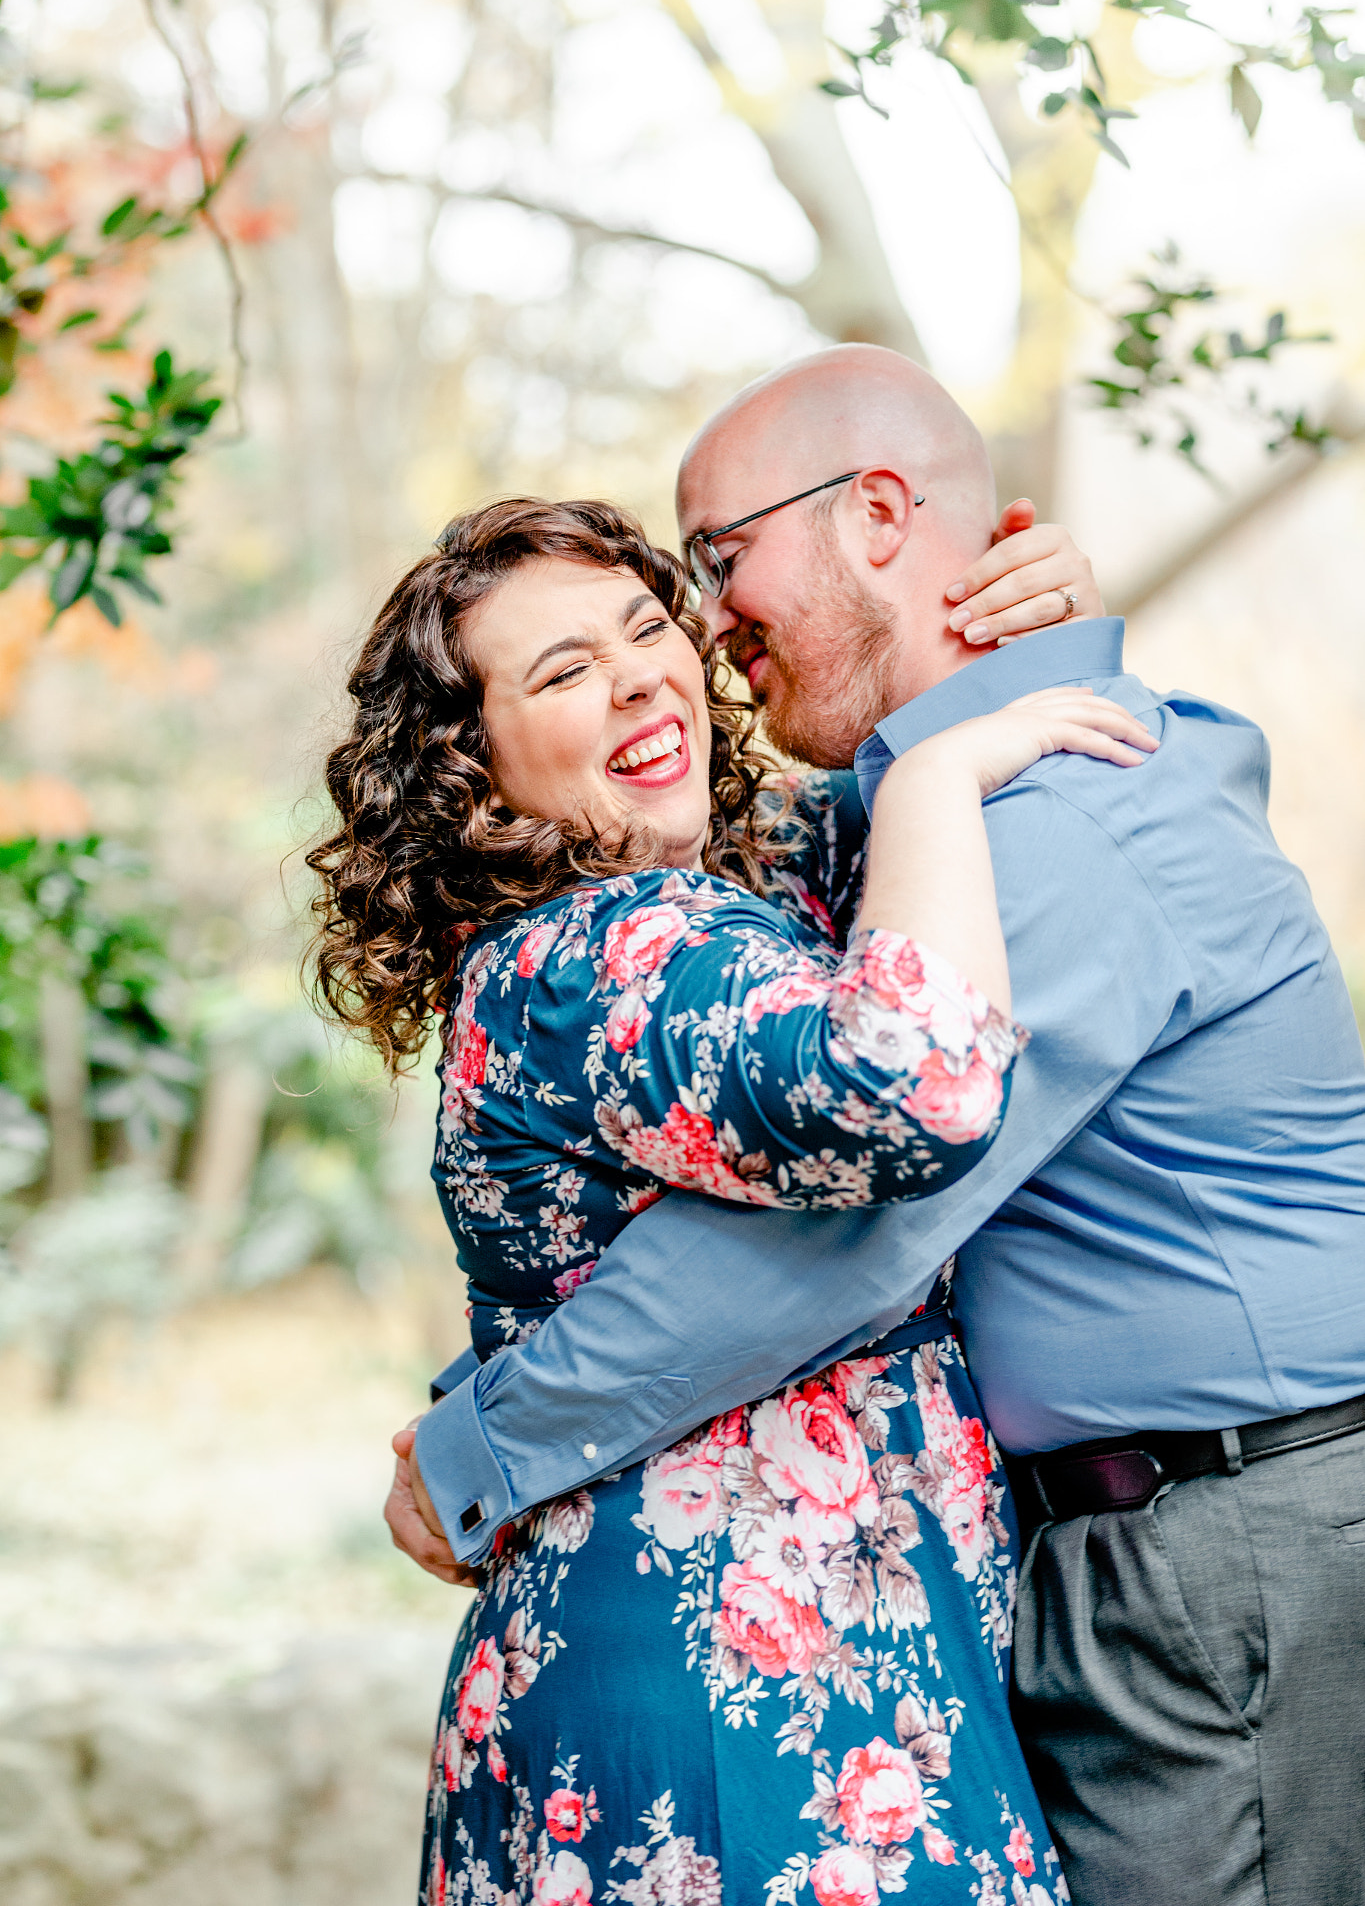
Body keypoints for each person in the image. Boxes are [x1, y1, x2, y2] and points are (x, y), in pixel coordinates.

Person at [396, 347, 1365, 1906]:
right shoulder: (883, 831)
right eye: (568, 666)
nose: (700, 634)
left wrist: (478, 1443)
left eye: (705, 570)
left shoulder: (1042, 815)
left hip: (1216, 1543)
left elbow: (842, 1241)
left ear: (878, 515)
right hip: (1072, 1563)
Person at [308, 495, 1151, 1902]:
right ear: (478, 778)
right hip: (742, 1717)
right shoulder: (607, 947)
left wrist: (1005, 628)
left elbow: (864, 830)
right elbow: (917, 1084)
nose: (641, 673)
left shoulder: (706, 905)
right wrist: (942, 777)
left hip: (762, 1679)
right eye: (564, 671)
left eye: (649, 629)